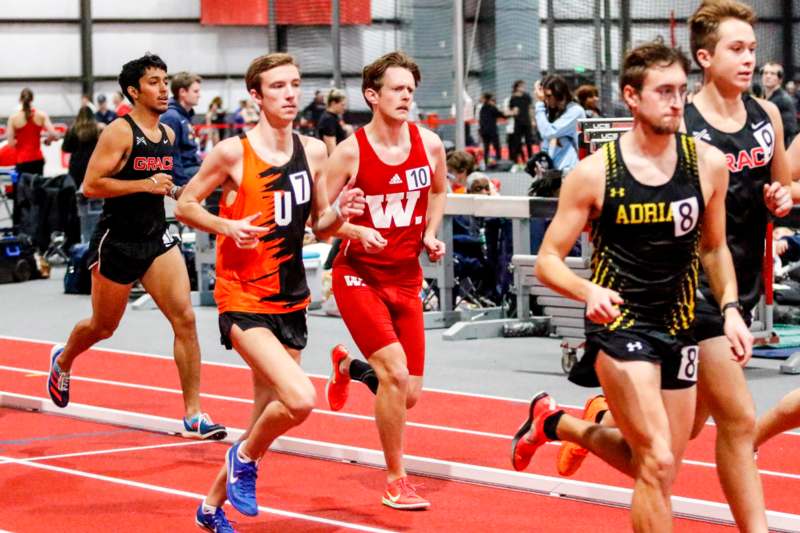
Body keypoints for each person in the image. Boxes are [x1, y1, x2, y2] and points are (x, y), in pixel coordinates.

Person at [560, 3, 796, 531]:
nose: (749, 60)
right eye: (736, 49)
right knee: (736, 420)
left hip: (739, 282)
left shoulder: (767, 117)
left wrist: (783, 199)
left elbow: (784, 186)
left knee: (672, 443)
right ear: (704, 58)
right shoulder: (678, 122)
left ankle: (572, 425)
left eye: (753, 50)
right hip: (690, 295)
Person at [510, 40, 753, 532]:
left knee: (657, 468)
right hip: (621, 323)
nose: (676, 101)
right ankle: (564, 423)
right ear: (632, 97)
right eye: (663, 91)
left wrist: (729, 308)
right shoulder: (594, 173)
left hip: (680, 322)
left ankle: (558, 424)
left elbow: (713, 249)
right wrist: (588, 292)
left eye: (682, 91)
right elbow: (549, 260)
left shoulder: (707, 165)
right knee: (658, 460)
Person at [175, 52, 364, 530]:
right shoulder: (233, 153)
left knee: (264, 414)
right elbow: (185, 204)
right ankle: (244, 458)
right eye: (277, 86)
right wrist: (225, 224)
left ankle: (210, 507)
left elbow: (320, 228)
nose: (289, 94)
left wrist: (343, 212)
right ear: (256, 96)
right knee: (300, 399)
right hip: (242, 299)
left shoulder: (314, 151)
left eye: (295, 84)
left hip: (291, 300)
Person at [46, 54, 227, 443]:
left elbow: (169, 182)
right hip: (118, 240)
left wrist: (185, 192)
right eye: (154, 82)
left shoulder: (169, 134)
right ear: (133, 91)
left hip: (156, 238)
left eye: (165, 81)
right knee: (103, 326)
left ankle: (194, 412)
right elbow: (92, 185)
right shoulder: (119, 132)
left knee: (185, 320)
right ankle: (63, 360)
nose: (164, 89)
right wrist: (144, 185)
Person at [323, 51, 447, 510]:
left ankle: (348, 368)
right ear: (372, 95)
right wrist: (353, 228)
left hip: (406, 279)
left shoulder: (430, 144)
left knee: (408, 394)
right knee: (394, 375)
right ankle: (397, 479)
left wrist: (430, 234)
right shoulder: (350, 151)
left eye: (410, 89)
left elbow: (438, 190)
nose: (406, 96)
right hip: (358, 276)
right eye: (397, 89)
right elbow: (317, 220)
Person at [7, 88, 60, 225]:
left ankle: (20, 225)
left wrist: (21, 142)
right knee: (37, 192)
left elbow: (11, 143)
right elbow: (55, 134)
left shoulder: (14, 118)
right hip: (37, 160)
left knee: (22, 194)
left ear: (20, 100)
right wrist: (47, 141)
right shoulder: (41, 115)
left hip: (22, 161)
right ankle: (39, 224)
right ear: (32, 99)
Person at [534, 74, 585, 173]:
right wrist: (542, 162)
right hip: (554, 171)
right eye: (544, 96)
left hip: (571, 172)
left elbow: (548, 132)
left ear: (559, 93)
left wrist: (539, 104)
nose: (546, 100)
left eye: (548, 96)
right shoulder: (552, 111)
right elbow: (547, 141)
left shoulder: (575, 111)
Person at [160, 72, 203, 186]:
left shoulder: (184, 115)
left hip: (192, 166)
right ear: (182, 92)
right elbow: (171, 155)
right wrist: (182, 185)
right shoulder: (172, 117)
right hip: (183, 172)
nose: (199, 95)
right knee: (222, 172)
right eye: (196, 91)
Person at [62, 106, 101, 189]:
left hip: (76, 164)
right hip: (93, 164)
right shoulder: (98, 129)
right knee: (94, 192)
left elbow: (65, 148)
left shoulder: (72, 129)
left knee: (72, 191)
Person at [761, 61, 798, 146]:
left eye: (772, 73)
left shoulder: (783, 100)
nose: (768, 76)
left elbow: (789, 129)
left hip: (782, 149)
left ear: (780, 78)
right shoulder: (766, 98)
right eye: (765, 73)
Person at [316, 88, 352, 155]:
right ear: (333, 103)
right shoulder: (328, 119)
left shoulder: (334, 116)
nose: (344, 108)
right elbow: (331, 150)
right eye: (342, 105)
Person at [508, 80, 535, 163]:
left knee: (529, 141)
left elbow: (530, 109)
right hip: (518, 122)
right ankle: (516, 160)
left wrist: (532, 120)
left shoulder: (527, 96)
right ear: (516, 87)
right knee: (517, 142)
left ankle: (531, 159)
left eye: (523, 86)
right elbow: (511, 110)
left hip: (526, 121)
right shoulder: (513, 98)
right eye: (521, 86)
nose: (522, 88)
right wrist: (513, 111)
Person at [478, 92, 504, 166]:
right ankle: (499, 161)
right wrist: (510, 113)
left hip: (484, 131)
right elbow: (501, 114)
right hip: (492, 131)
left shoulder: (482, 108)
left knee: (486, 148)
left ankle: (486, 163)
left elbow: (481, 121)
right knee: (497, 146)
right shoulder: (492, 108)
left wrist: (481, 131)